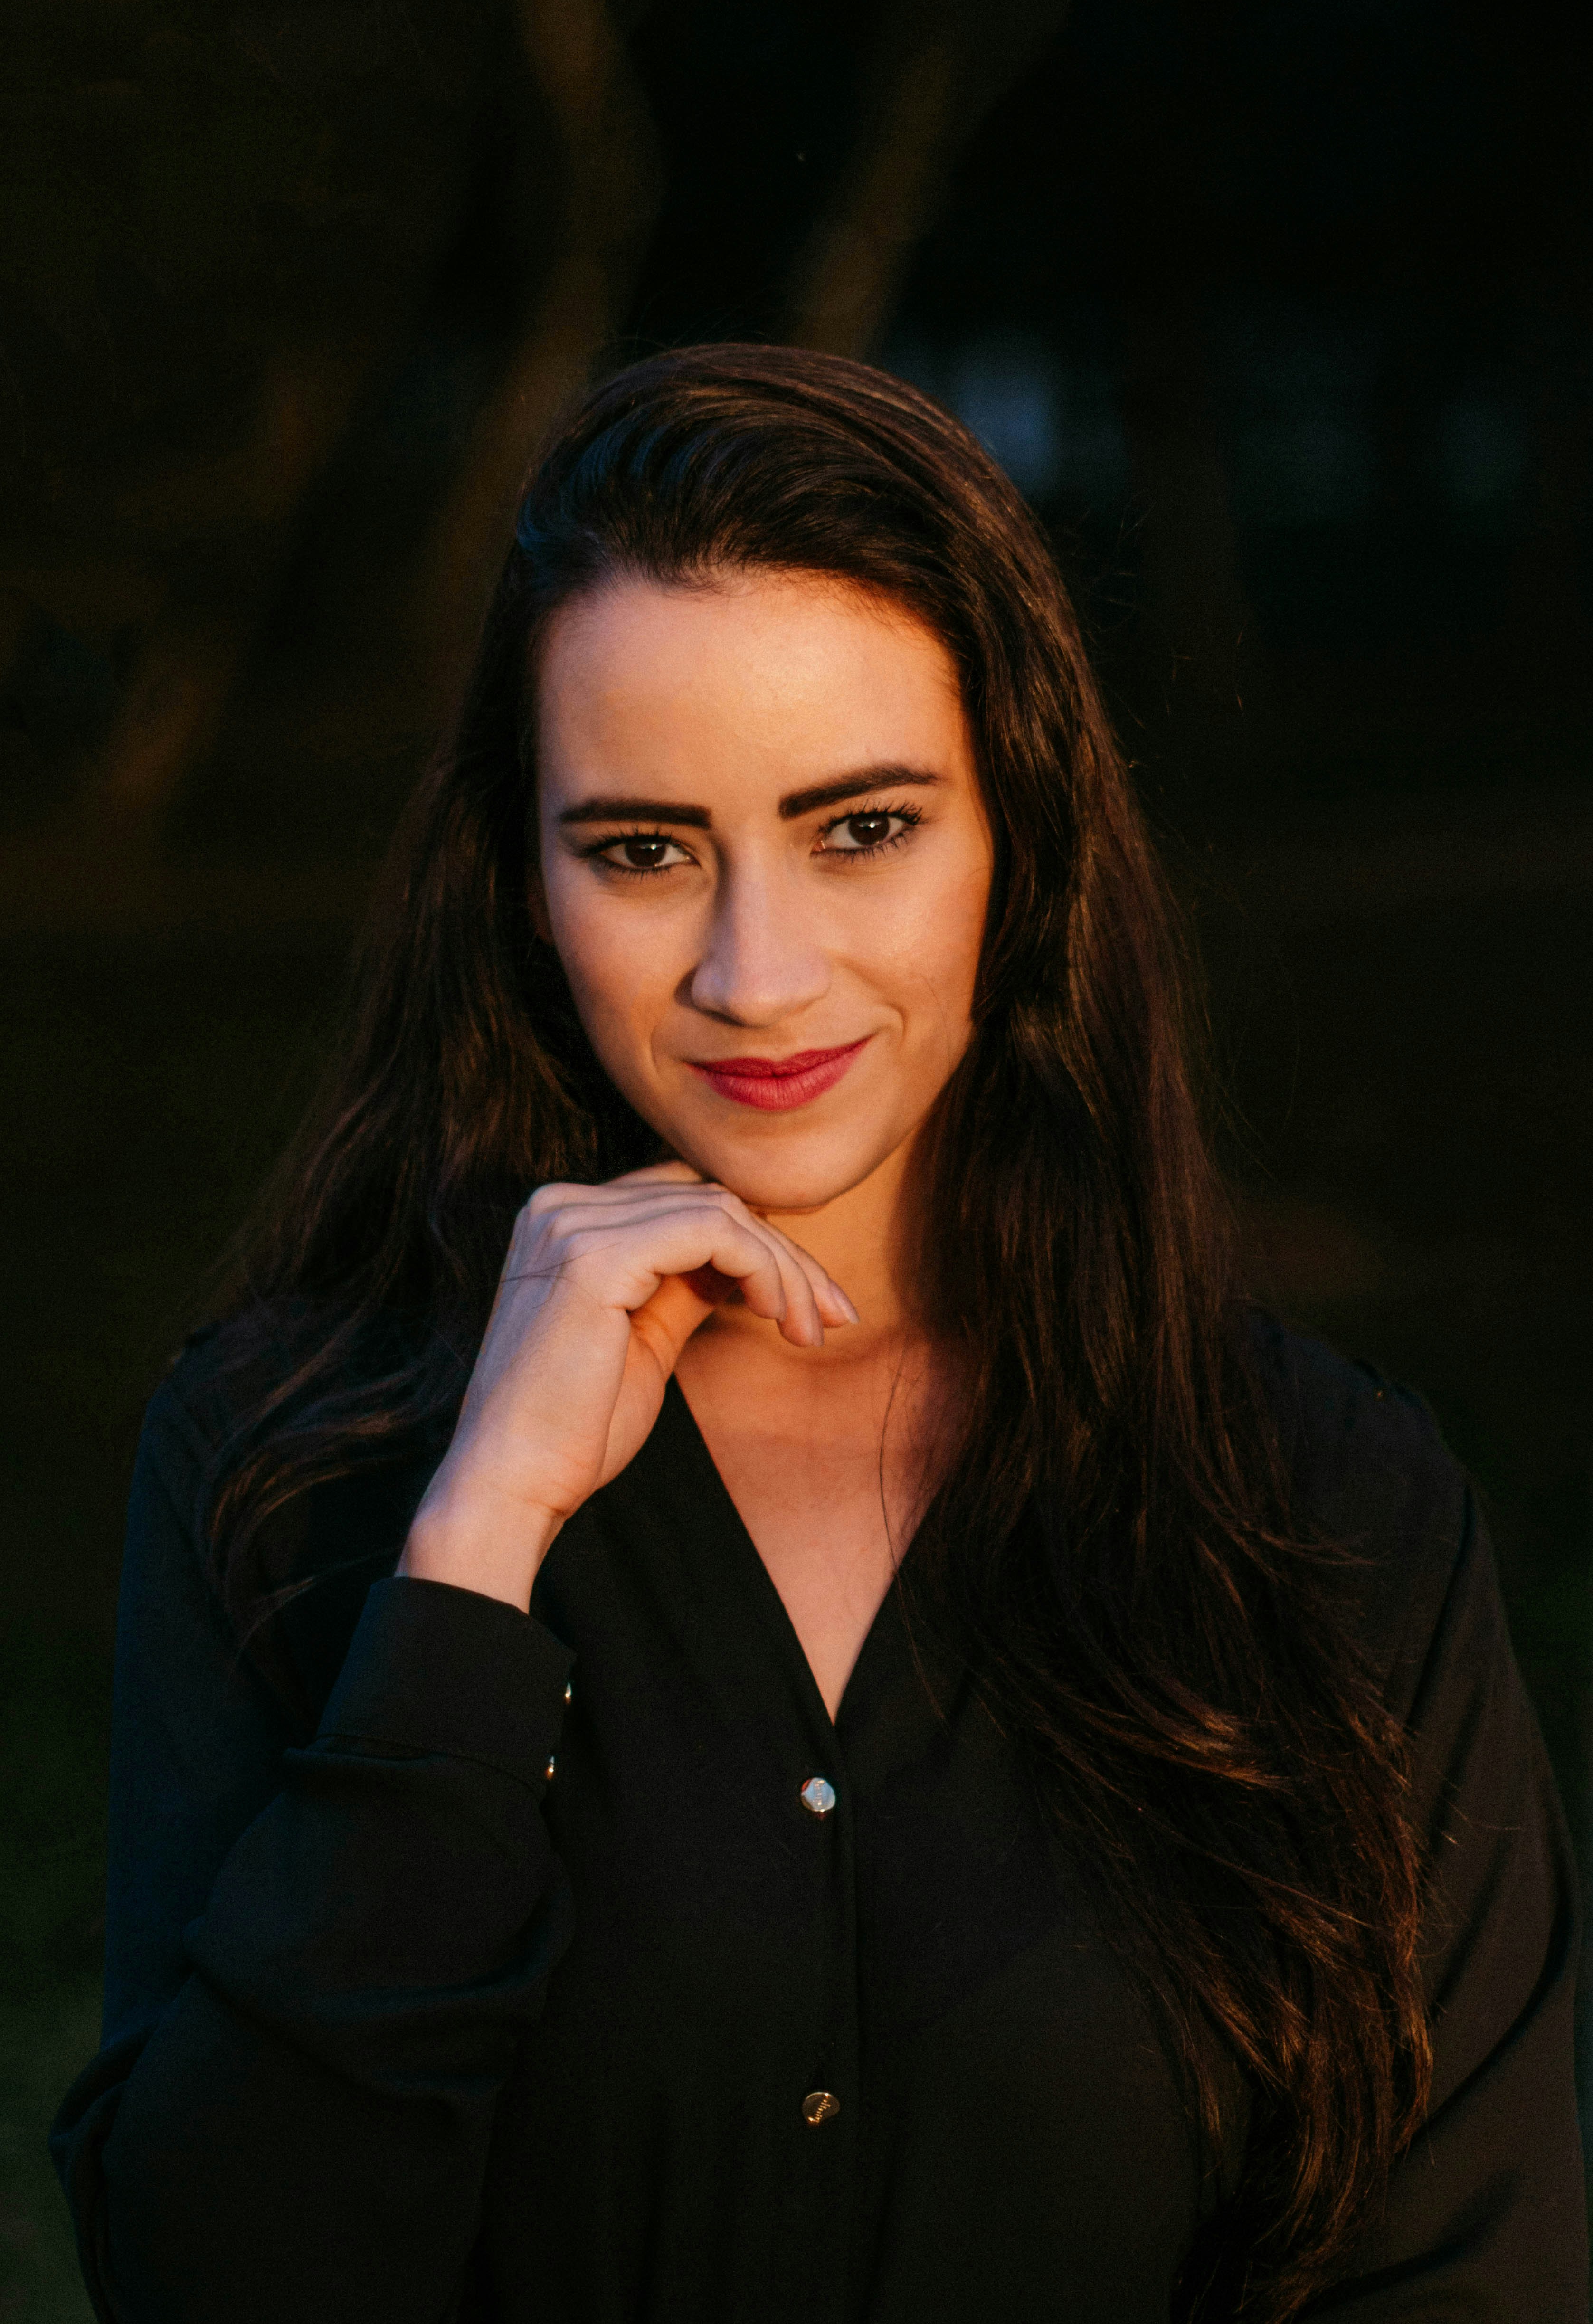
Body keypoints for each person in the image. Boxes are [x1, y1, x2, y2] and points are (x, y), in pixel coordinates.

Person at [52, 346, 1584, 2324]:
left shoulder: (1330, 1505)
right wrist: (472, 1555)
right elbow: (213, 2276)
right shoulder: (288, 1466)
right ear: (521, 884)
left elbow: (1462, 2273)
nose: (754, 975)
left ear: (1020, 833)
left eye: (858, 828)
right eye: (641, 849)